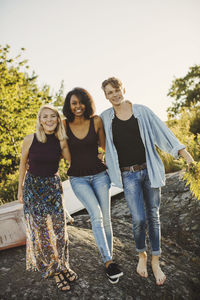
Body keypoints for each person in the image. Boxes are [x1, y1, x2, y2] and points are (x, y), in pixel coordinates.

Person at [100, 77, 194, 286]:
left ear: (123, 88)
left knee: (153, 216)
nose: (114, 95)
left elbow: (163, 132)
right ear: (105, 96)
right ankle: (142, 255)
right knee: (138, 220)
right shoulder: (105, 118)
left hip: (149, 170)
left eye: (116, 90)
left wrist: (185, 155)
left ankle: (155, 260)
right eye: (109, 93)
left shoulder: (142, 111)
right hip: (128, 175)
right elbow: (95, 140)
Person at [62, 87, 123, 284]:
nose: (78, 106)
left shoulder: (96, 121)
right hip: (78, 179)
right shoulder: (63, 125)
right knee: (95, 214)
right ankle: (108, 261)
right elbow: (61, 152)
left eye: (81, 102)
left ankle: (109, 261)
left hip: (99, 175)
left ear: (86, 104)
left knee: (106, 218)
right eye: (74, 103)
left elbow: (106, 147)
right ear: (69, 105)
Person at [18, 104, 77, 291]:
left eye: (53, 116)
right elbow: (22, 166)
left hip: (52, 187)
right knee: (42, 233)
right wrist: (20, 189)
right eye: (45, 116)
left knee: (60, 231)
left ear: (58, 119)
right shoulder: (29, 139)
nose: (49, 120)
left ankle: (64, 264)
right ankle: (55, 270)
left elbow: (72, 161)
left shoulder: (61, 141)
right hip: (33, 188)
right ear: (40, 120)